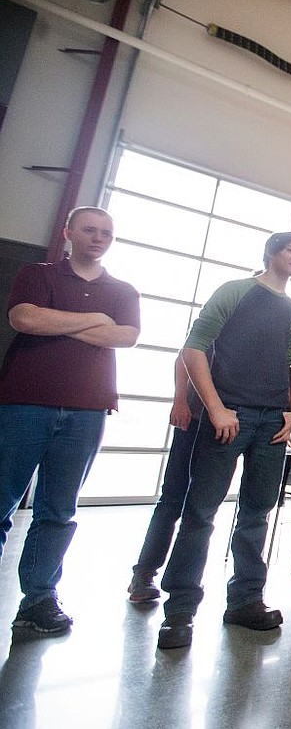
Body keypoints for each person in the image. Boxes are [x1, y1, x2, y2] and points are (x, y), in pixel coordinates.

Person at [156, 232, 291, 649]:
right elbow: (194, 349)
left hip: (272, 426)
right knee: (200, 512)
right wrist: (216, 407)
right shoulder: (235, 292)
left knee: (257, 513)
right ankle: (179, 611)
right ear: (271, 253)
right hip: (228, 418)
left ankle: (244, 601)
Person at [0, 207, 140, 634]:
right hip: (24, 405)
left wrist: (57, 324)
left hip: (87, 412)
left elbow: (126, 336)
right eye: (90, 230)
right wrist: (95, 321)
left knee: (58, 511)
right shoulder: (37, 274)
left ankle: (38, 600)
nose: (99, 238)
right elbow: (23, 318)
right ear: (68, 233)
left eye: (107, 233)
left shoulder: (122, 289)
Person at [127, 356, 200, 603]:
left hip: (236, 420)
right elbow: (185, 357)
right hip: (195, 416)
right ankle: (145, 572)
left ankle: (185, 583)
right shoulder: (218, 316)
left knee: (202, 507)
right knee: (173, 499)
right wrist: (180, 401)